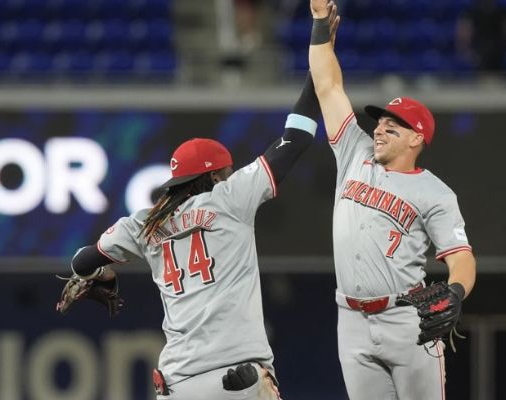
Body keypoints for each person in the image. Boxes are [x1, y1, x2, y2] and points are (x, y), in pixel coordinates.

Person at [55, 67, 329, 399]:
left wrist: (102, 274)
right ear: (214, 177)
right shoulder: (229, 199)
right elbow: (295, 139)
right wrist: (317, 71)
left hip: (177, 383)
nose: (230, 177)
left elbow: (83, 259)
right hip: (236, 374)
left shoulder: (147, 223)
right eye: (226, 172)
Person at [307, 2, 477, 399]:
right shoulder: (355, 152)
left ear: (417, 138)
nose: (379, 130)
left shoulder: (434, 192)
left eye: (392, 127)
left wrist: (455, 291)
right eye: (379, 124)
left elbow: (461, 256)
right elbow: (327, 87)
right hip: (349, 317)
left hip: (407, 318)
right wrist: (318, 26)